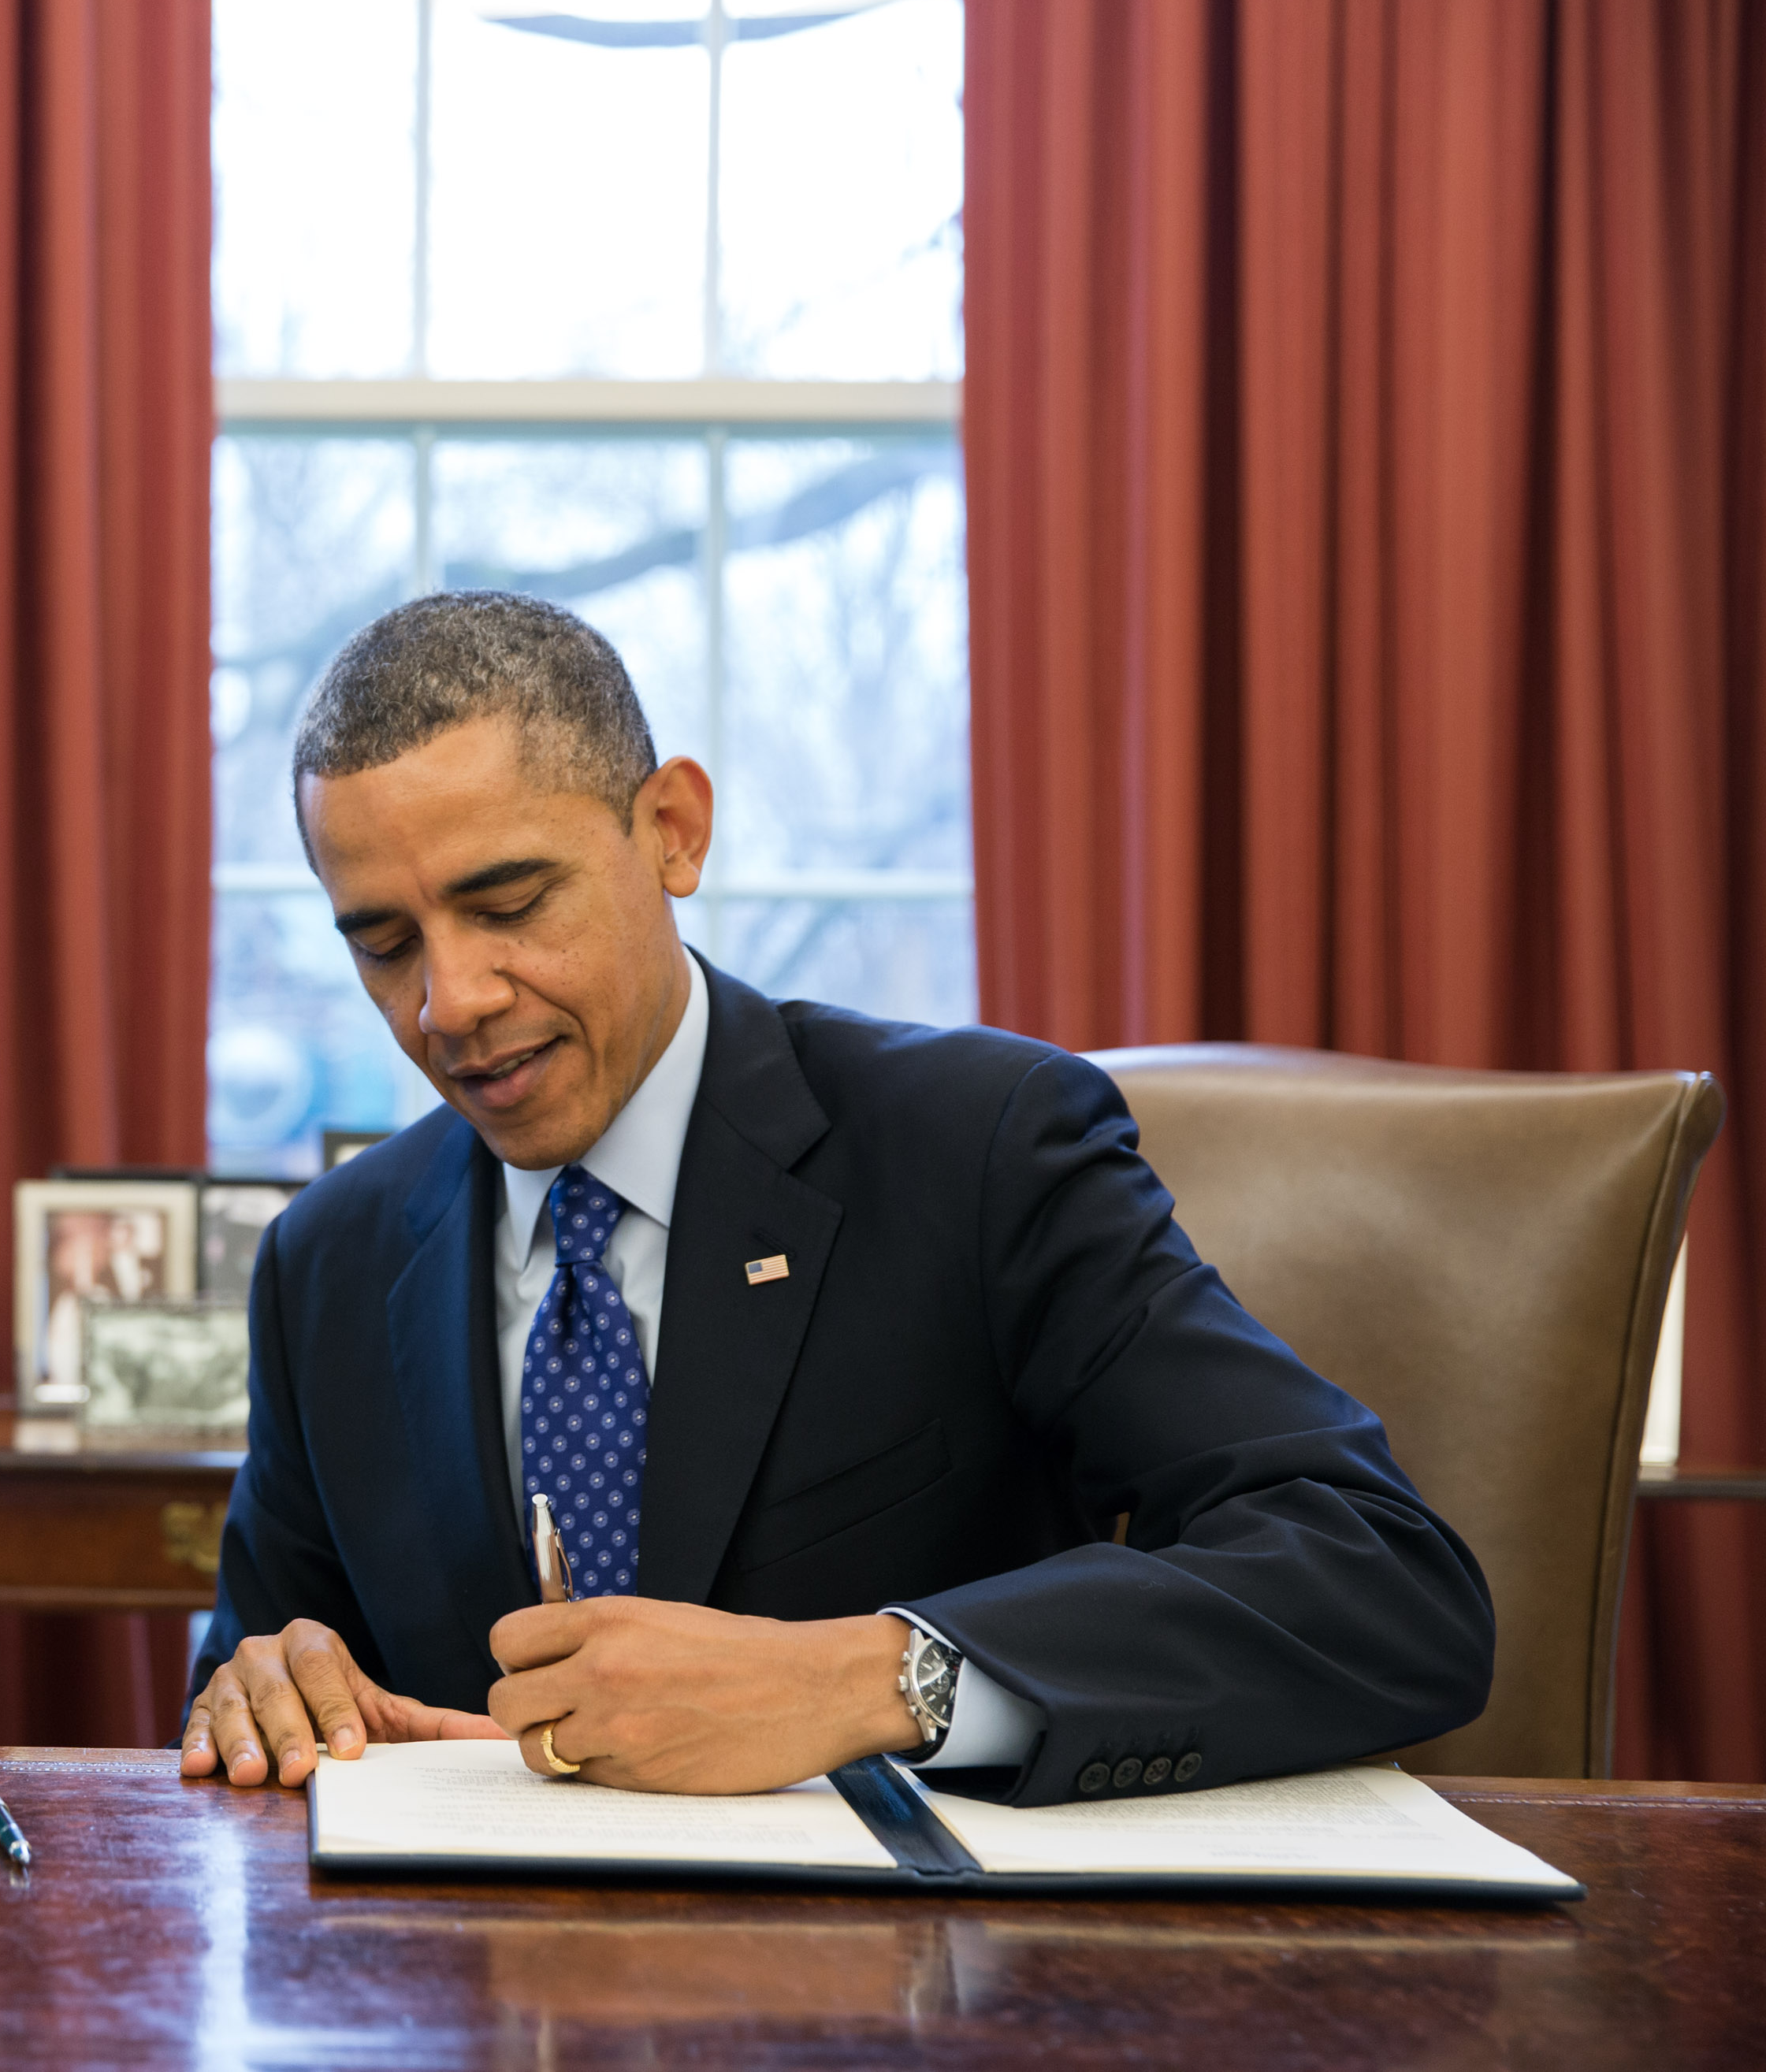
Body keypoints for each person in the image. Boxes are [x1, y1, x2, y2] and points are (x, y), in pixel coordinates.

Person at [180, 592, 1494, 1805]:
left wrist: (866, 1681)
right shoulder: (328, 1263)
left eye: (511, 903)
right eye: (385, 942)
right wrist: (255, 1695)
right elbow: (253, 1680)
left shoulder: (979, 1149)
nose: (449, 1002)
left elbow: (1385, 1584)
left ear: (673, 832)